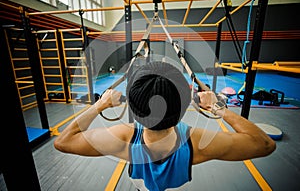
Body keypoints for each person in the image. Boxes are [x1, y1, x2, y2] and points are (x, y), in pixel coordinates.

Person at [54, 61, 276, 191]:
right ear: (182, 110)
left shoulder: (123, 137)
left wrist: (100, 105)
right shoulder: (197, 142)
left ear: (135, 110)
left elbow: (63, 142)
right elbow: (264, 144)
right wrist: (219, 108)